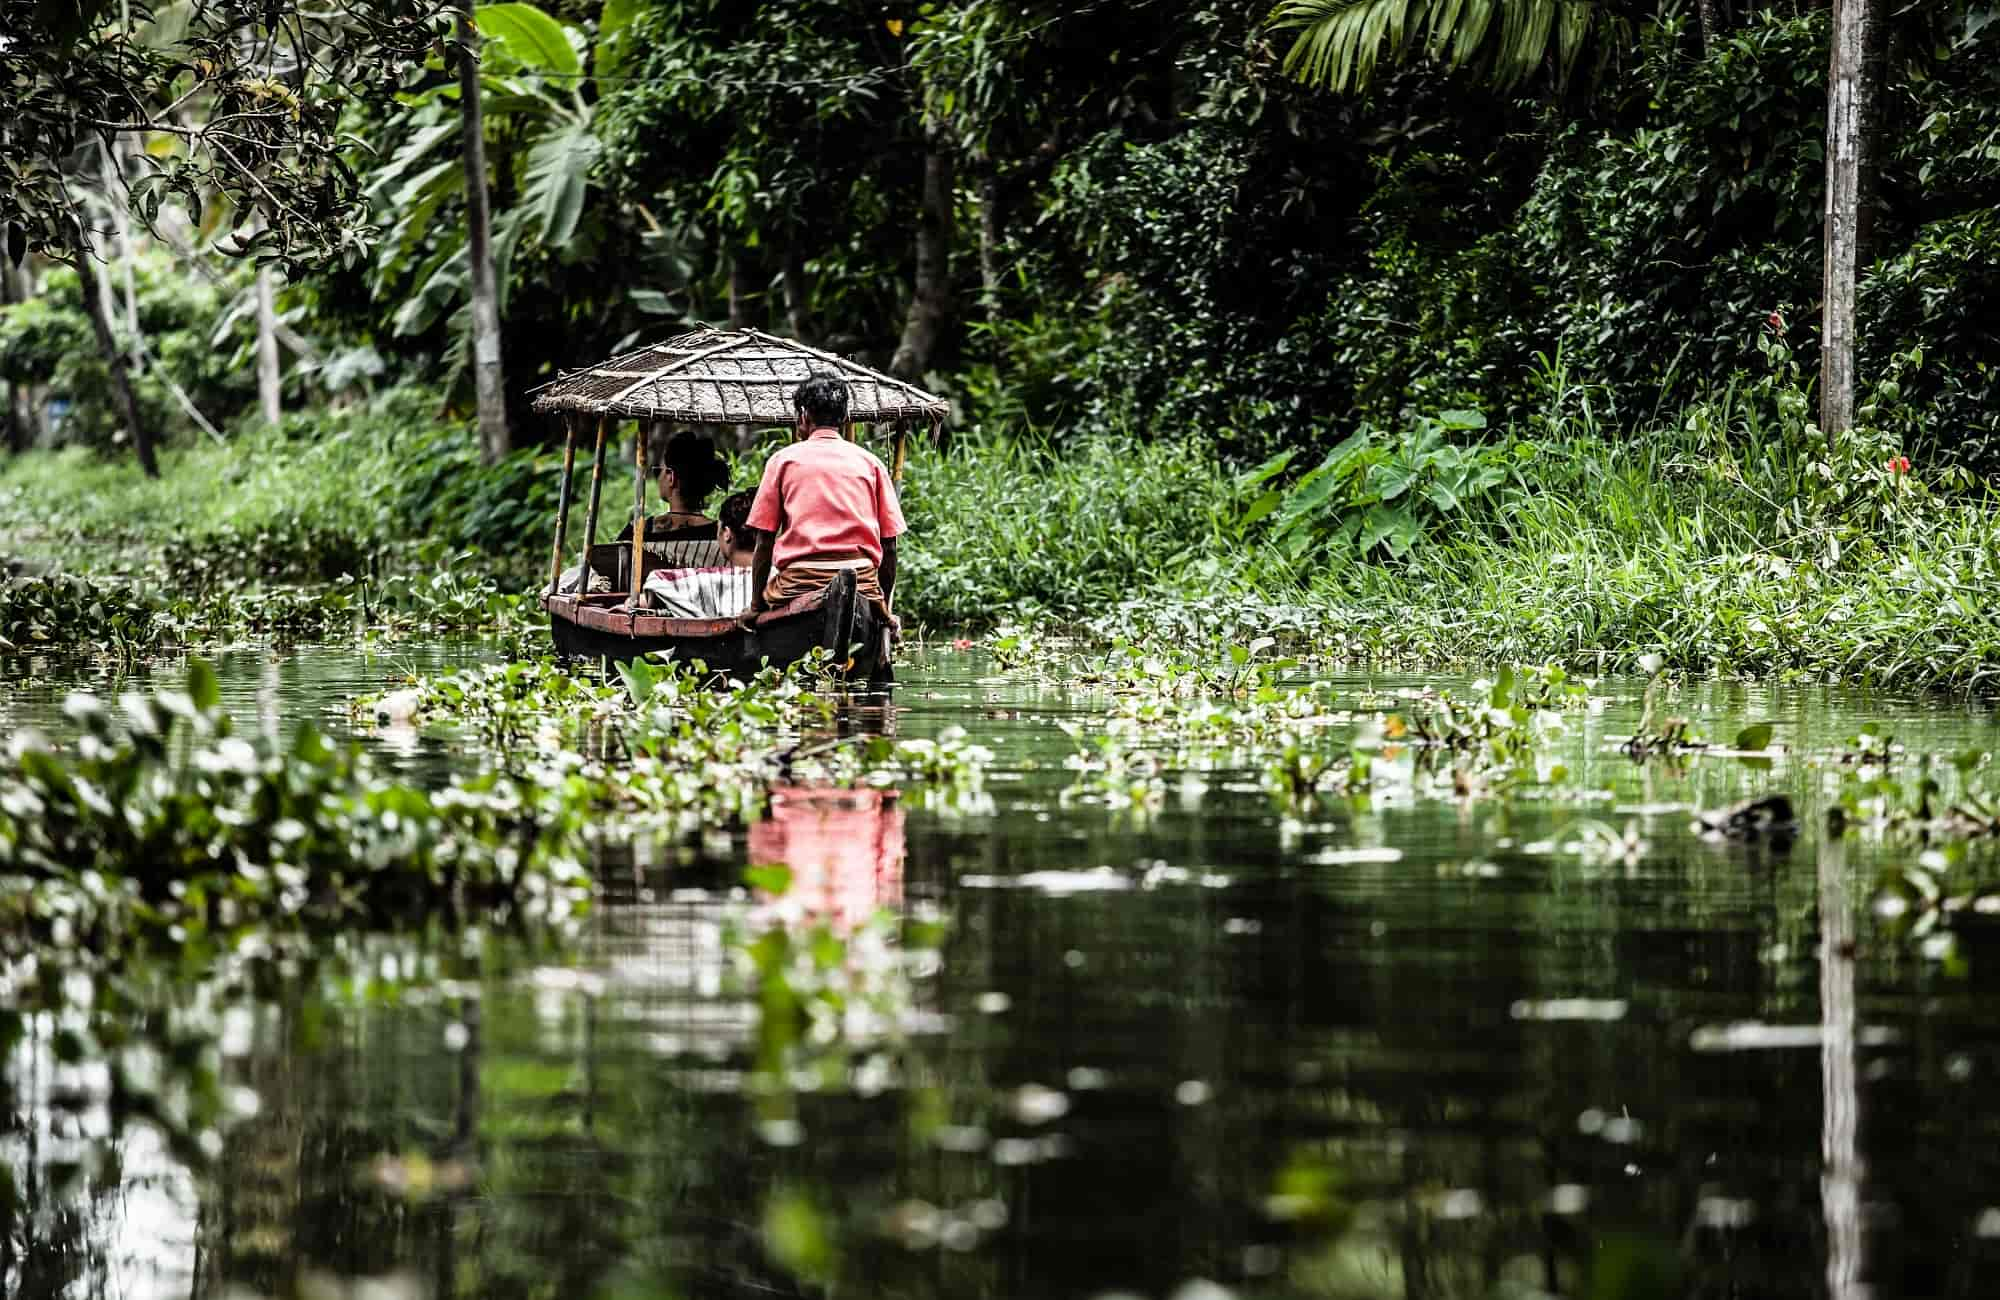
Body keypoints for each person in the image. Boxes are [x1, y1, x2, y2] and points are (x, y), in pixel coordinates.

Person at [745, 375, 904, 628]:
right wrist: (881, 605)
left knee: (767, 602)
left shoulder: (782, 461)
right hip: (862, 582)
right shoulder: (870, 463)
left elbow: (764, 542)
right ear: (843, 418)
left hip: (800, 582)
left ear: (804, 415)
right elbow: (890, 547)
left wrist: (755, 607)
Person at [641, 489, 758, 619]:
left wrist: (636, 601)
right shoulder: (780, 576)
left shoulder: (711, 580)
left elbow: (656, 582)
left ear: (727, 533)